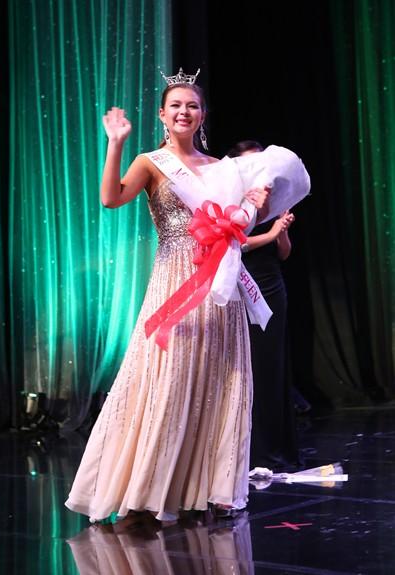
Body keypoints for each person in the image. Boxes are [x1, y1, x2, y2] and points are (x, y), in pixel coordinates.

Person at [64, 69, 270, 524]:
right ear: (162, 114)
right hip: (174, 282)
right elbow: (111, 198)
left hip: (219, 286)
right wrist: (115, 143)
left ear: (202, 115)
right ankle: (153, 487)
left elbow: (237, 225)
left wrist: (256, 203)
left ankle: (214, 487)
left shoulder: (223, 168)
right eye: (175, 105)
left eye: (192, 105)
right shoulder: (151, 162)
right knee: (168, 378)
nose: (184, 112)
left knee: (220, 380)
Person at [227, 139, 302, 472]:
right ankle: (249, 450)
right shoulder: (233, 202)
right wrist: (270, 234)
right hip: (243, 286)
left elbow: (283, 253)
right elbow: (235, 245)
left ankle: (275, 446)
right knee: (248, 366)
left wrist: (281, 232)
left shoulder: (274, 201)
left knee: (273, 365)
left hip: (273, 287)